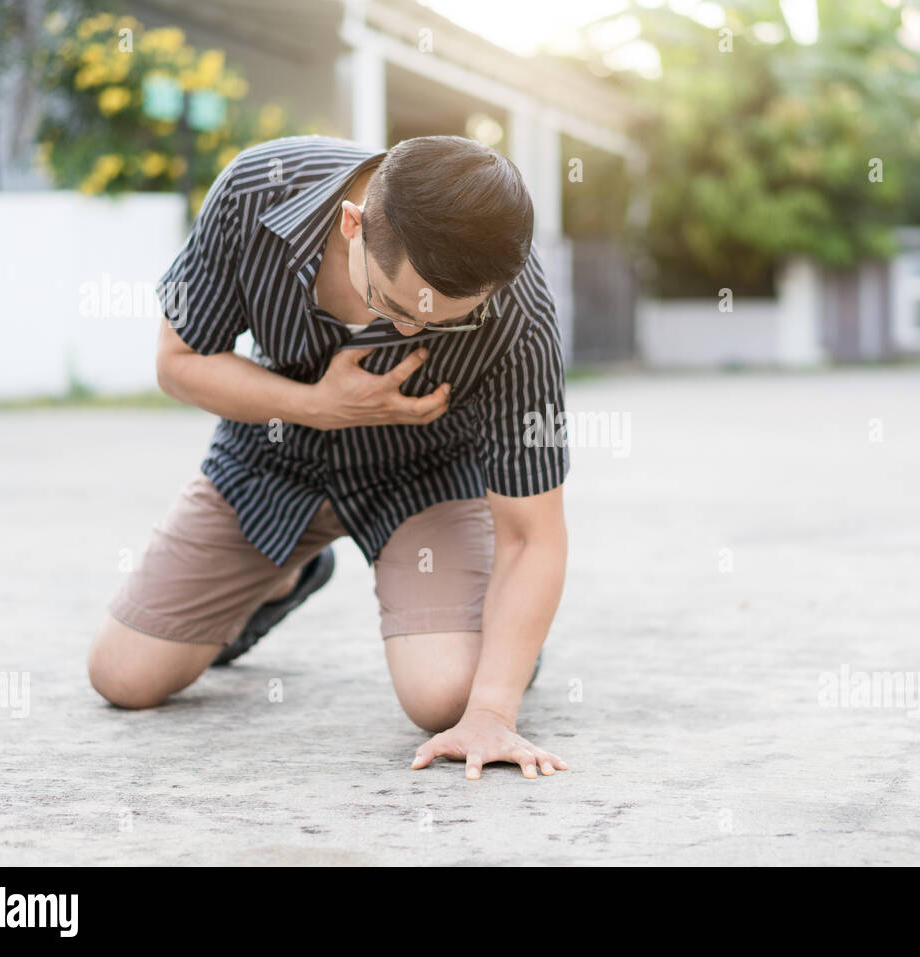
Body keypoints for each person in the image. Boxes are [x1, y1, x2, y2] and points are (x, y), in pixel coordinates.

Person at [87, 135, 570, 781]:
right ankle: (287, 575)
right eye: (394, 306)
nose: (405, 332)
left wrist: (492, 707)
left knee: (446, 699)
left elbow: (531, 535)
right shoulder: (256, 189)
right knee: (123, 677)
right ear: (353, 224)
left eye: (442, 323)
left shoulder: (518, 308)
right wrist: (318, 404)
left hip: (422, 476)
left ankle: (496, 634)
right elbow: (176, 365)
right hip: (271, 456)